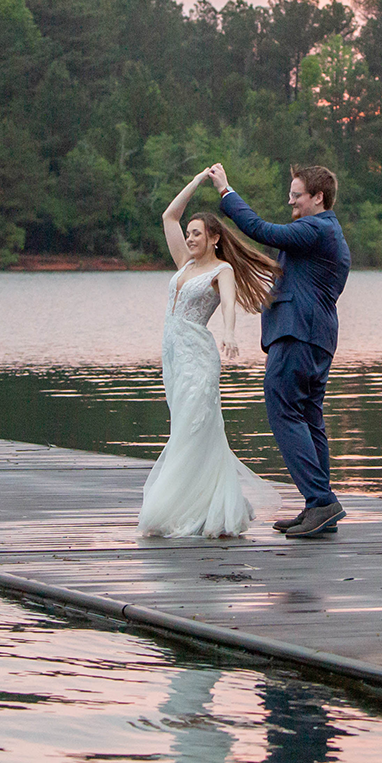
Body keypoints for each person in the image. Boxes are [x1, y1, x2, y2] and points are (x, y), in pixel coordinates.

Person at [138, 169, 283, 538]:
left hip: (198, 358)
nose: (189, 238)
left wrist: (231, 332)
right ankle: (202, 502)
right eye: (189, 234)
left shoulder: (222, 269)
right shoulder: (184, 264)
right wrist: (198, 181)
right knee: (186, 427)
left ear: (214, 238)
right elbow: (169, 216)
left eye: (197, 233)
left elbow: (230, 303)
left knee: (194, 427)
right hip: (173, 356)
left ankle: (184, 506)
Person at [208, 162, 350, 539]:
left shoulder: (316, 229)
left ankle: (320, 501)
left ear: (318, 197)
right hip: (315, 337)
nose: (290, 200)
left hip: (298, 335)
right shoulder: (324, 233)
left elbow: (260, 230)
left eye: (296, 195)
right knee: (308, 416)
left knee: (283, 408)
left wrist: (226, 192)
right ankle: (317, 506)